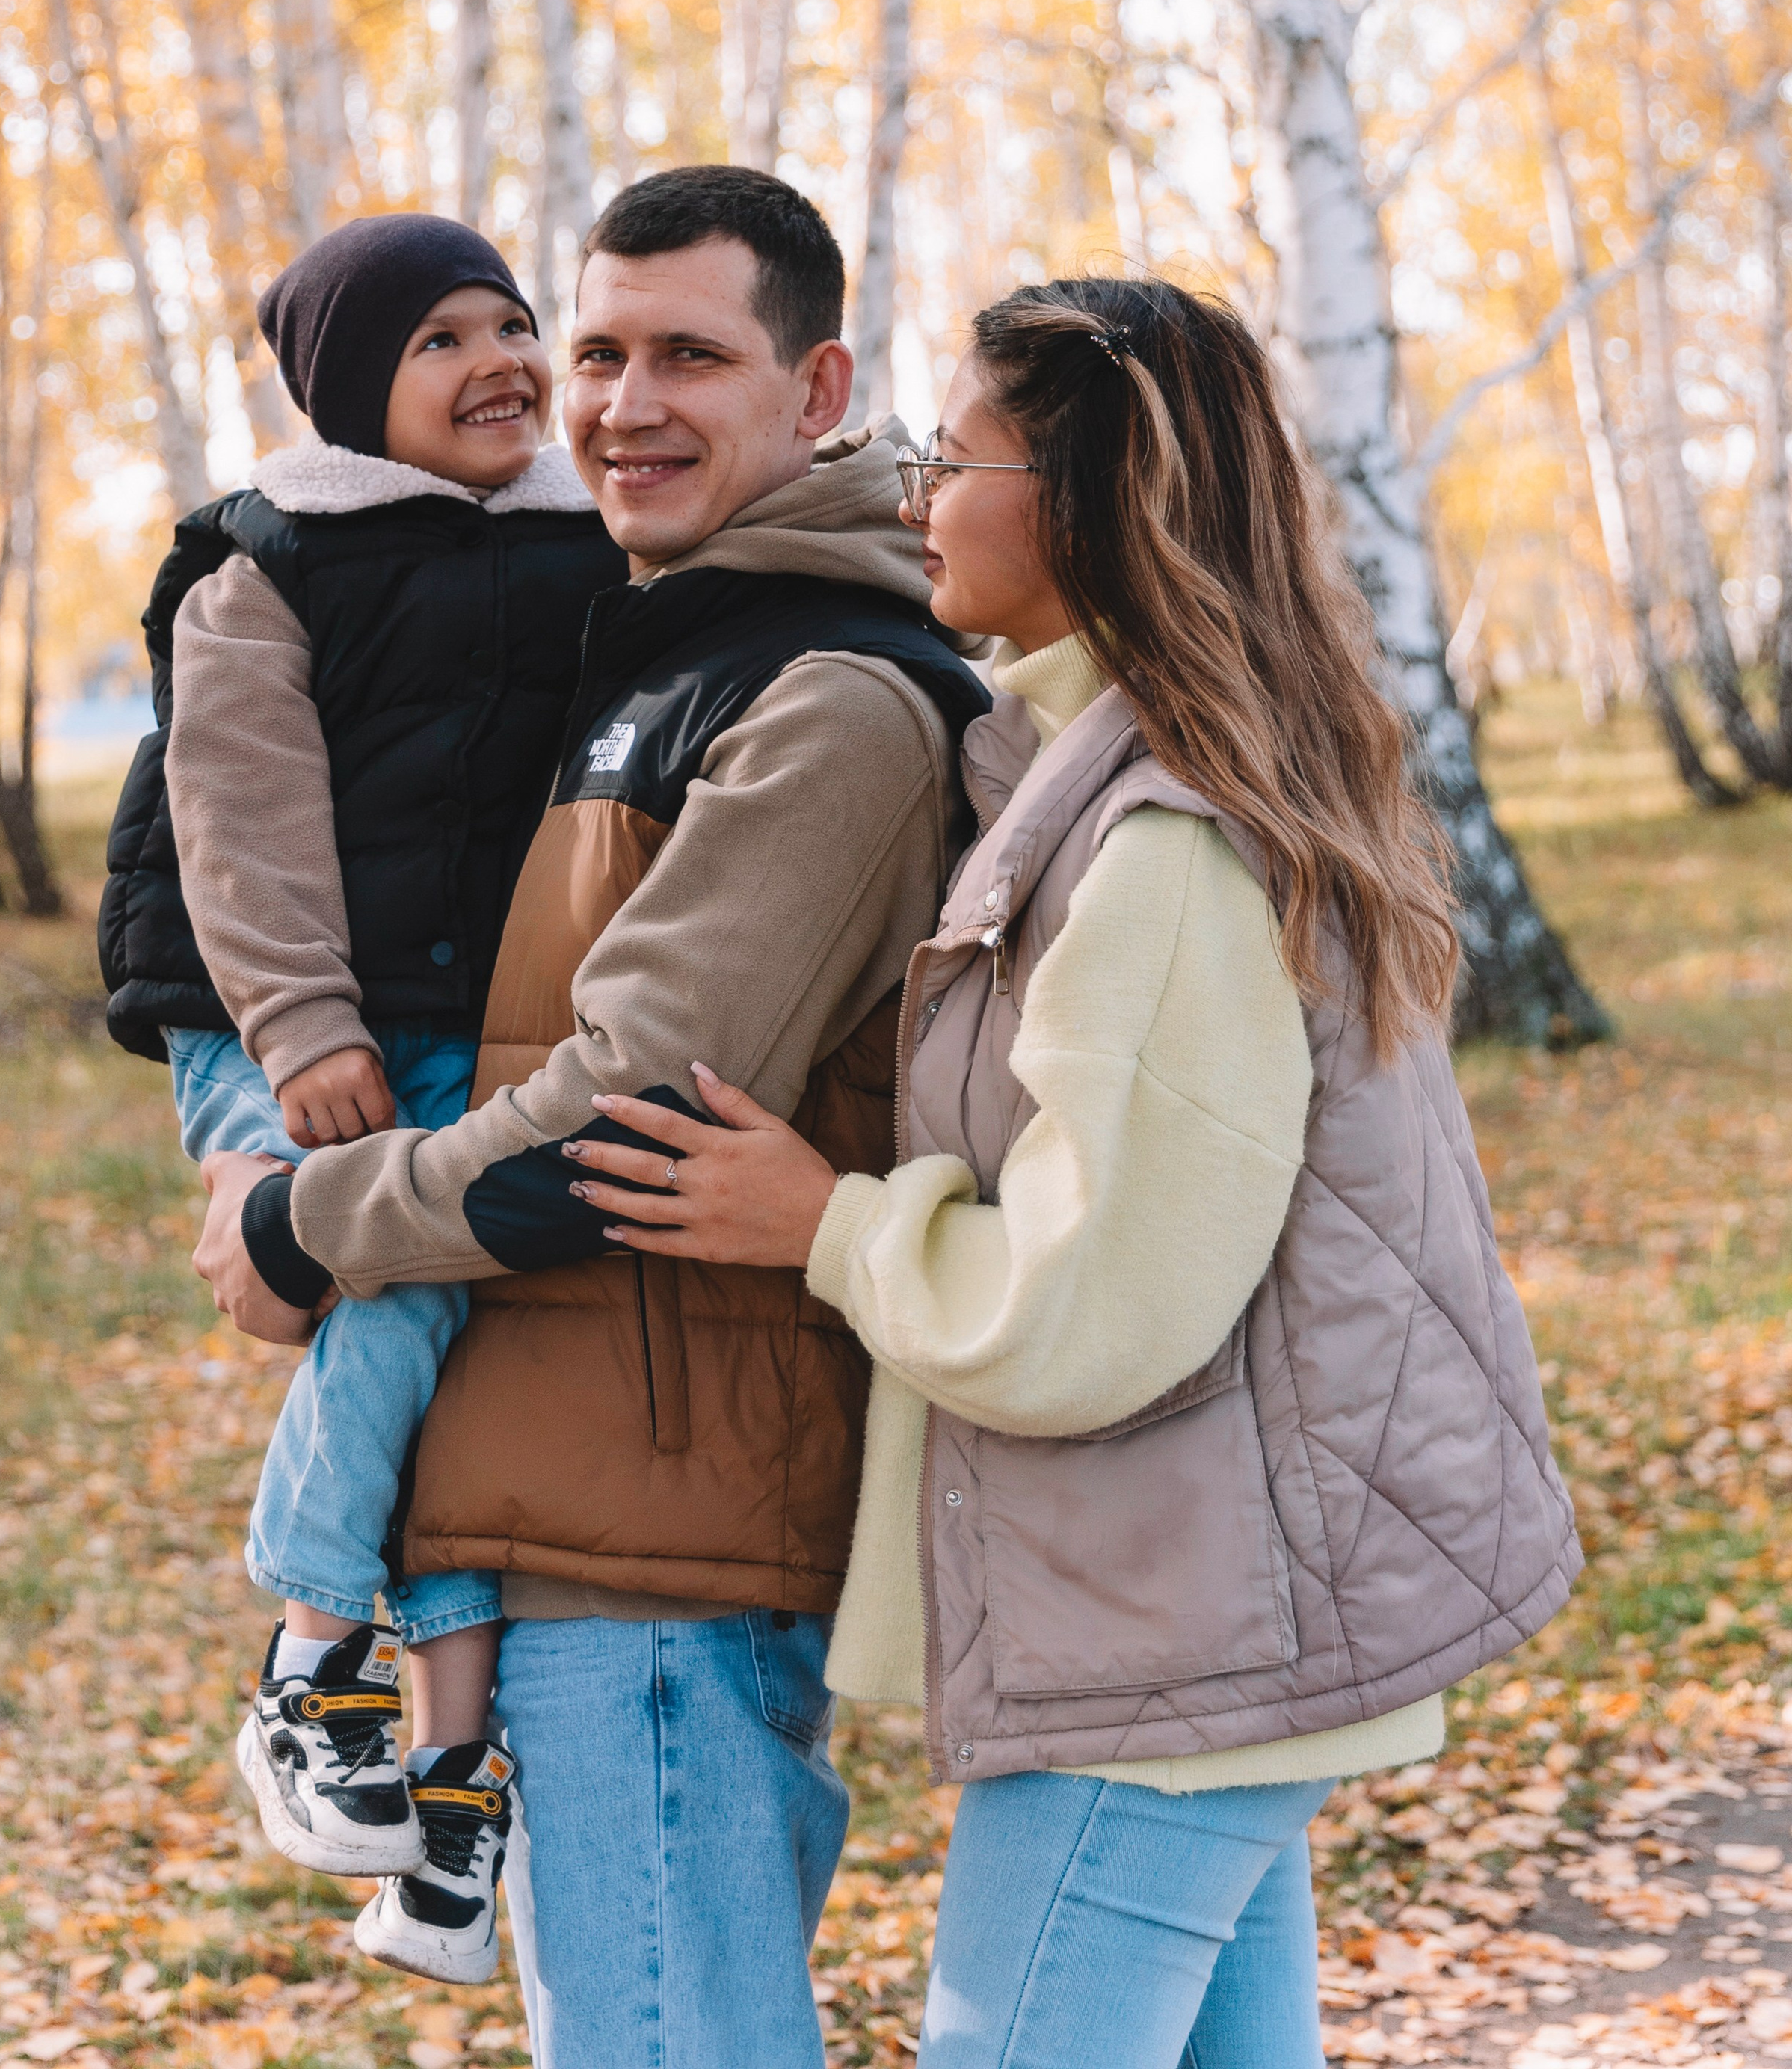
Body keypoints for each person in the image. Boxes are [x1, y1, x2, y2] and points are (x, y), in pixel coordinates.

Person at [561, 274, 1583, 2067]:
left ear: (1086, 507)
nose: (913, 498)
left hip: (1182, 1635)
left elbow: (1089, 1295)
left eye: (952, 463)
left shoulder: (1156, 852)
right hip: (1205, 1612)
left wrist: (826, 1227)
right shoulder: (1109, 780)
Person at [193, 167, 990, 2068]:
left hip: (654, 1542)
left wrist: (304, 1221)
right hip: (572, 1500)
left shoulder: (826, 692)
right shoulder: (639, 639)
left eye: (688, 358)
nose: (622, 404)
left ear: (816, 390)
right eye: (602, 352)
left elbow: (612, 1120)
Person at [101, 213, 625, 1983]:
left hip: (441, 1018)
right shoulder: (270, 556)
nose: (497, 361)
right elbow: (237, 820)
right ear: (346, 392)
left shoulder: (576, 537)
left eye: (511, 322)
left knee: (445, 1354)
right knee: (394, 1286)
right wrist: (303, 1027)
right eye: (438, 340)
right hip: (265, 1014)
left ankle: (449, 1798)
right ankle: (308, 1664)